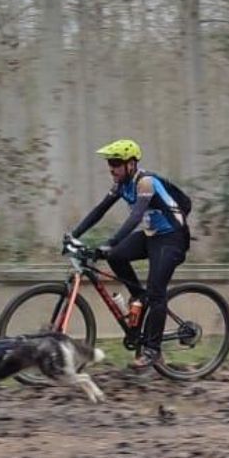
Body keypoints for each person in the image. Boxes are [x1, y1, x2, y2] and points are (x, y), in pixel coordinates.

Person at [65, 139, 190, 370]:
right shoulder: (122, 185)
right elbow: (100, 210)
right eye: (109, 164)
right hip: (152, 236)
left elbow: (135, 217)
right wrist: (73, 234)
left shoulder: (146, 183)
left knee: (156, 292)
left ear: (131, 164)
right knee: (115, 256)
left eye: (115, 163)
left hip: (172, 238)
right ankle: (139, 296)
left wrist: (111, 241)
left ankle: (153, 350)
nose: (111, 168)